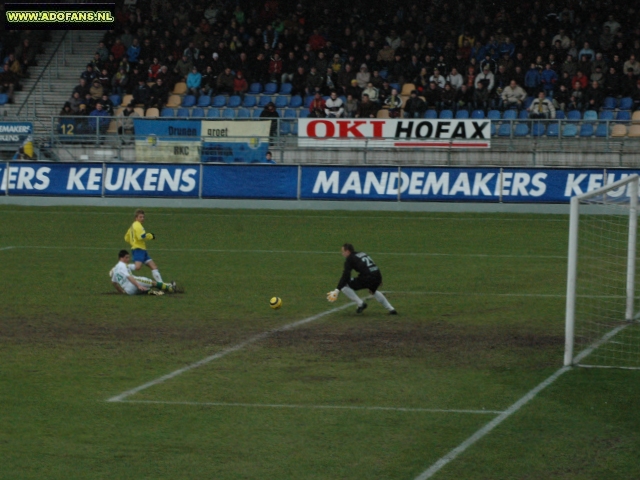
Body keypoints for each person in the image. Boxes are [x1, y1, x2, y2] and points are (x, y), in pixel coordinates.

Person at [326, 243, 397, 315]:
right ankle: (391, 309)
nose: (342, 254)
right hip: (377, 275)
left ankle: (360, 304)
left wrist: (337, 290)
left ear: (347, 251)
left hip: (368, 277)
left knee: (344, 285)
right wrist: (379, 279)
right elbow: (373, 265)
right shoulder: (362, 253)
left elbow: (345, 275)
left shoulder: (350, 258)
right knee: (373, 290)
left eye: (343, 252)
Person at [110, 250, 176, 296]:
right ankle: (170, 288)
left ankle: (154, 292)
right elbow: (129, 277)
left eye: (129, 257)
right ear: (120, 258)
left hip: (129, 291)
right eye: (126, 257)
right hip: (133, 284)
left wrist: (121, 291)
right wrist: (138, 285)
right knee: (153, 283)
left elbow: (114, 283)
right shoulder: (123, 265)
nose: (128, 259)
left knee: (145, 289)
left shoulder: (116, 269)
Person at [124, 209, 164, 283]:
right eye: (140, 217)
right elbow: (141, 236)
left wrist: (133, 242)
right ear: (136, 218)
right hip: (138, 249)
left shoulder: (132, 226)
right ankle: (122, 267)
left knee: (154, 267)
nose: (142, 219)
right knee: (137, 267)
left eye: (143, 217)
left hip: (142, 250)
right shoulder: (138, 226)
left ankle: (162, 285)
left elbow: (126, 238)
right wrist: (151, 236)